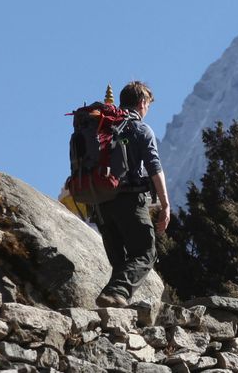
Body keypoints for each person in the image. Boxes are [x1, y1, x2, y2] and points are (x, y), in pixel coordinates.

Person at [94, 81, 172, 307]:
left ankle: (114, 305)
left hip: (100, 203)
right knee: (146, 252)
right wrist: (165, 205)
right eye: (148, 104)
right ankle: (117, 292)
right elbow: (154, 167)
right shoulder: (140, 129)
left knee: (121, 263)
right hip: (128, 199)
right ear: (142, 102)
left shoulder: (103, 127)